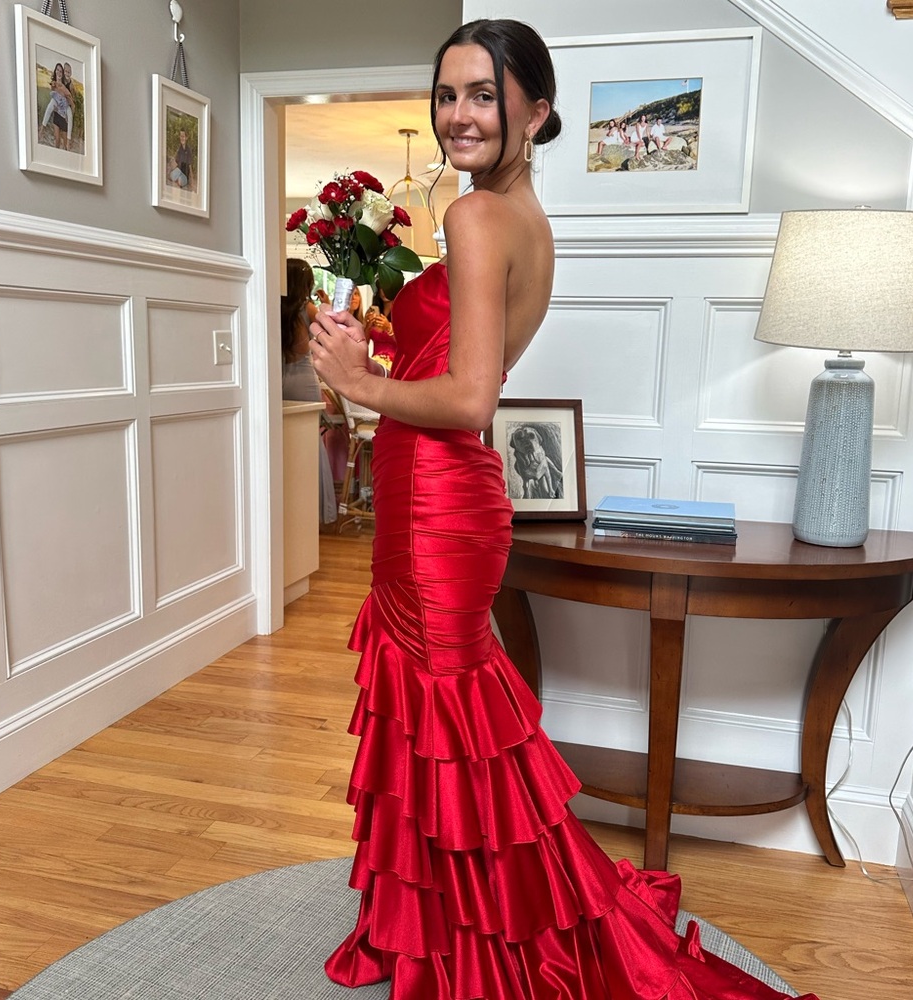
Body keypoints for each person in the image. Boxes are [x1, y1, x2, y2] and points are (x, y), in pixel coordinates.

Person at [309, 17, 819, 1000]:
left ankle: (487, 937)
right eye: (448, 93)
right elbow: (456, 369)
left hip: (438, 507)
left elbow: (466, 399)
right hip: (446, 499)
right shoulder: (522, 220)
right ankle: (446, 917)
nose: (459, 114)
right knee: (445, 726)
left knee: (447, 725)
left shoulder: (474, 220)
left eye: (483, 96)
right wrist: (373, 363)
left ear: (535, 112)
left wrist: (360, 384)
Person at [280, 257, 337, 525]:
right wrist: (327, 303)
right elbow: (334, 329)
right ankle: (315, 511)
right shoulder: (307, 308)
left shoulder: (277, 308)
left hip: (280, 380)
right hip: (303, 381)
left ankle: (289, 510)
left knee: (286, 444)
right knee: (310, 445)